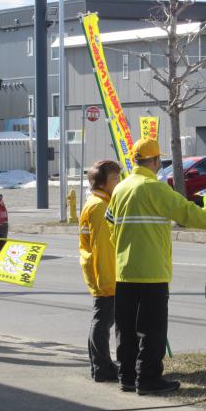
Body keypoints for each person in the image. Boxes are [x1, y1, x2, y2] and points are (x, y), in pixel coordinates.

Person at [106, 138, 206, 395]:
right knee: (151, 329)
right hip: (152, 272)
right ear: (156, 161)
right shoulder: (154, 188)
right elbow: (187, 212)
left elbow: (110, 226)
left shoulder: (120, 189)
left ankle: (126, 376)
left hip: (124, 270)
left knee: (126, 328)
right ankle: (147, 379)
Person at [79, 160, 121, 382]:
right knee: (103, 320)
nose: (119, 182)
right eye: (115, 178)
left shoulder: (98, 202)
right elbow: (103, 247)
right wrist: (107, 281)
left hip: (100, 271)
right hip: (104, 273)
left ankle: (100, 365)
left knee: (102, 320)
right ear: (102, 183)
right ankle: (102, 367)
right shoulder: (99, 206)